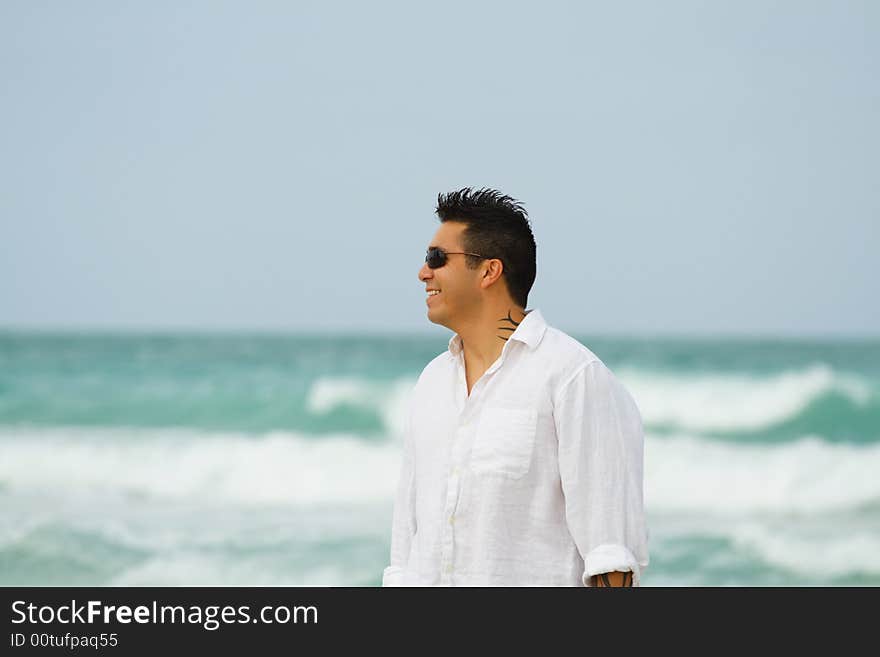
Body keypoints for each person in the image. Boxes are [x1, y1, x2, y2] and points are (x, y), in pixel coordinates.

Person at [383, 187, 649, 587]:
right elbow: (406, 548)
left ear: (489, 271)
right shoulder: (431, 384)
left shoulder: (573, 376)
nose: (424, 272)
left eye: (436, 259)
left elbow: (609, 552)